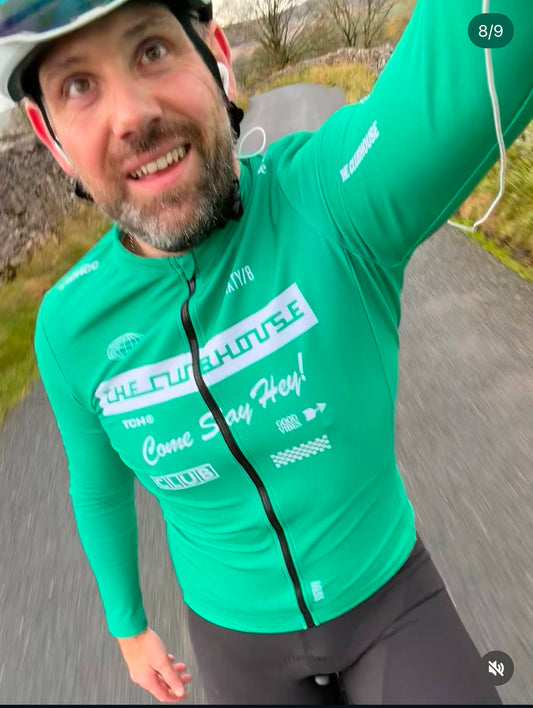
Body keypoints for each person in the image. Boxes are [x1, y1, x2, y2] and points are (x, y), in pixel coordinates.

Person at [1, 0, 531, 703]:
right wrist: (128, 629)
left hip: (388, 600)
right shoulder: (69, 325)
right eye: (78, 85)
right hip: (235, 644)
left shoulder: (330, 201)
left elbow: (483, 48)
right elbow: (97, 486)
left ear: (217, 55)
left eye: (152, 50)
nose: (130, 116)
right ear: (49, 134)